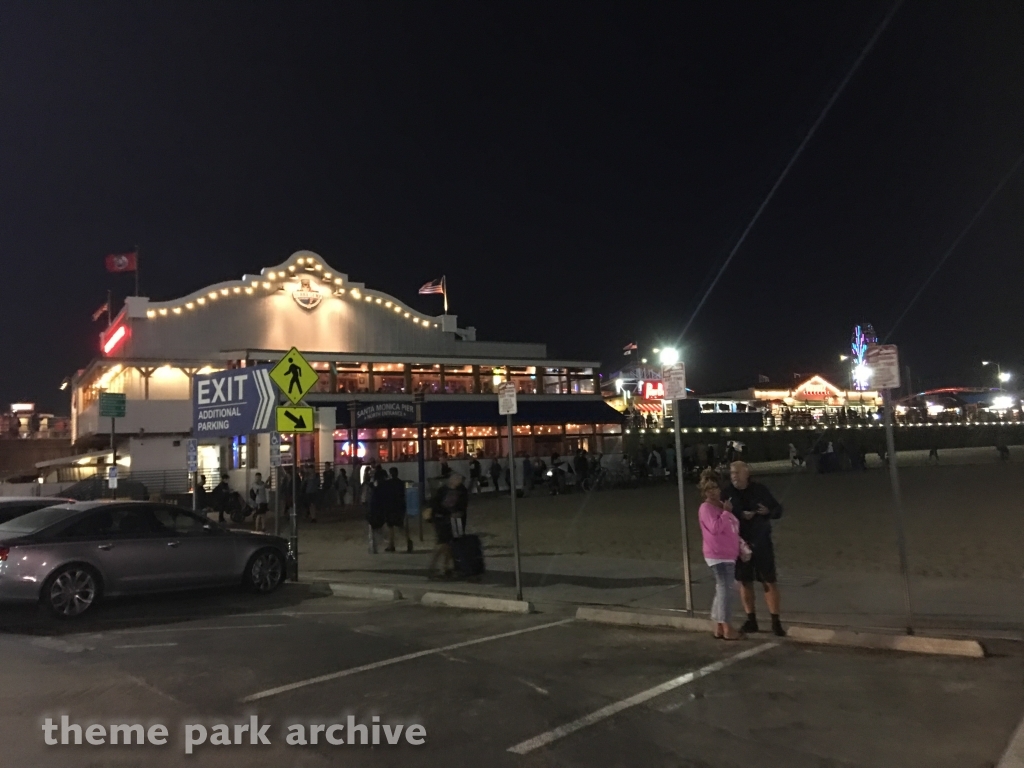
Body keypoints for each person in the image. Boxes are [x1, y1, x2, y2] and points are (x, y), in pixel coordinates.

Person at [722, 461, 785, 637]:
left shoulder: (760, 490)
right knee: (745, 581)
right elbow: (721, 515)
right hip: (740, 543)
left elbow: (778, 510)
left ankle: (775, 621)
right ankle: (751, 620)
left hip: (761, 542)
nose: (734, 476)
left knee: (768, 580)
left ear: (746, 474)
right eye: (732, 473)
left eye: (737, 472)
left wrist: (767, 512)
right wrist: (739, 514)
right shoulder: (727, 493)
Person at [698, 468, 743, 640]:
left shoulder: (720, 505)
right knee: (726, 589)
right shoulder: (706, 508)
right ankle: (726, 626)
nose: (712, 492)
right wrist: (726, 513)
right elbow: (715, 528)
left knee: (722, 588)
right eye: (708, 489)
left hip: (727, 553)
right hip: (718, 554)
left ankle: (718, 625)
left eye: (715, 488)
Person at [428, 473, 468, 578]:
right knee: (444, 543)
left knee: (448, 545)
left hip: (453, 520)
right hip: (443, 520)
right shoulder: (443, 490)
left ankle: (444, 566)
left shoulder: (461, 491)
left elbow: (462, 506)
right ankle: (436, 565)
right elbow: (436, 504)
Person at [383, 467, 413, 553]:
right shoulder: (400, 483)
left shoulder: (388, 483)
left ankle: (391, 545)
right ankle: (408, 540)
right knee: (400, 525)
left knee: (390, 526)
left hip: (391, 507)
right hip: (400, 507)